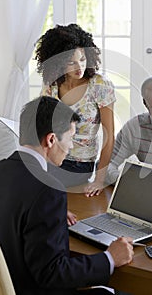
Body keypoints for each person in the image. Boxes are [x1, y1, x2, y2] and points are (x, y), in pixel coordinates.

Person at [0, 96, 134, 295]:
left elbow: (13, 215)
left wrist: (47, 214)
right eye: (70, 138)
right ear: (51, 139)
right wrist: (110, 258)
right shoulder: (48, 189)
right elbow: (53, 274)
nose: (71, 147)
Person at [35, 24, 116, 197]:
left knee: (38, 185)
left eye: (82, 59)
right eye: (71, 62)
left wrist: (99, 179)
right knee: (17, 171)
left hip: (78, 164)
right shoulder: (51, 84)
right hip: (50, 155)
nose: (79, 67)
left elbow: (109, 136)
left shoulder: (99, 85)